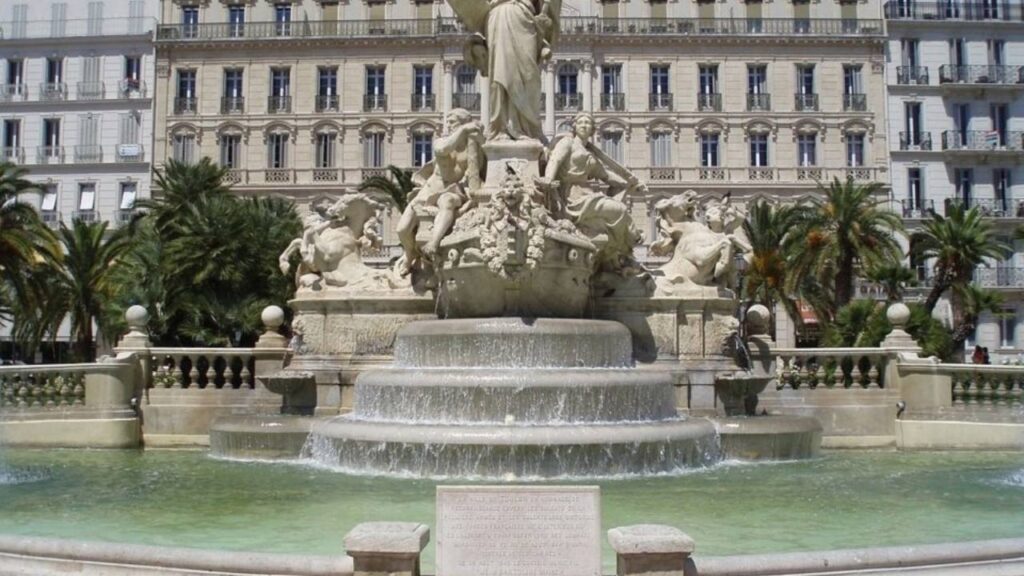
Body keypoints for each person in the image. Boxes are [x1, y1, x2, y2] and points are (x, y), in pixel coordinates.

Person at [536, 112, 642, 271]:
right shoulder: (567, 143)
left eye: (588, 123)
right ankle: (632, 239)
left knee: (617, 211)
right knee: (618, 209)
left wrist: (628, 184)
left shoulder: (590, 154)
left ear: (593, 129)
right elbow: (555, 160)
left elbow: (606, 175)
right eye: (581, 123)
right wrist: (548, 179)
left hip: (586, 194)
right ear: (574, 127)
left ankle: (621, 250)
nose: (584, 126)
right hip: (571, 195)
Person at [447, 0, 560, 141]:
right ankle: (501, 128)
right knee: (499, 75)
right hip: (498, 16)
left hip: (525, 17)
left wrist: (546, 24)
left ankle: (529, 129)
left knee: (529, 75)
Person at [394, 109, 484, 275]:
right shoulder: (441, 141)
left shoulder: (472, 146)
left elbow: (479, 169)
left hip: (454, 189)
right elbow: (443, 149)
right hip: (430, 190)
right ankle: (409, 254)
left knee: (446, 201)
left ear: (464, 122)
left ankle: (433, 244)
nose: (448, 126)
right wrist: (463, 130)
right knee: (402, 229)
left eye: (452, 122)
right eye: (447, 122)